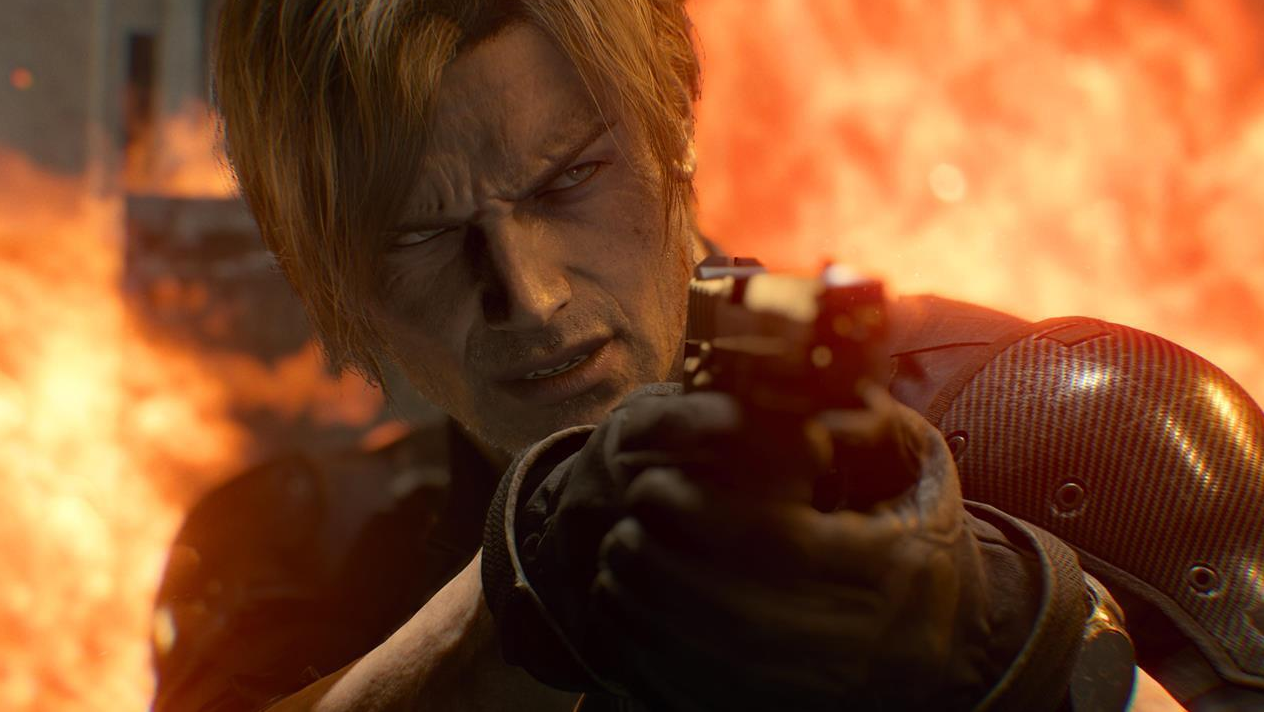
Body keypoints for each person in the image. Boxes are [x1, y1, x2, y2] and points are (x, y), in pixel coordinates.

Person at [150, 1, 1262, 710]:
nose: (530, 296)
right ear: (322, 259)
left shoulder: (1072, 432)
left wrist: (1016, 634)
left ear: (674, 119)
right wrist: (517, 595)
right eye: (421, 234)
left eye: (570, 180)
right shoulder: (289, 552)